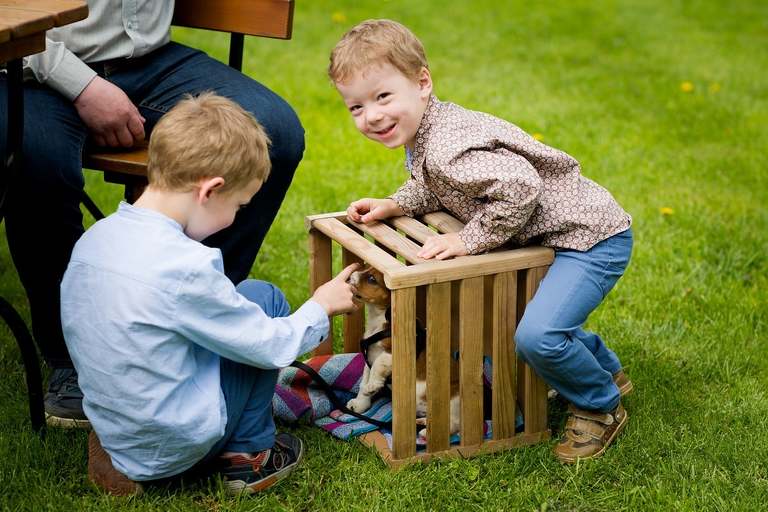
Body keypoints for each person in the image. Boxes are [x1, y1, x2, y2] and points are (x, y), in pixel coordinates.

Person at [329, 19, 635, 463]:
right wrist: (396, 203)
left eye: (382, 97)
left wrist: (469, 241)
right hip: (553, 234)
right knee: (518, 322)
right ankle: (605, 368)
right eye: (356, 107)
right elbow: (438, 185)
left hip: (589, 240)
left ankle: (599, 404)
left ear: (423, 83)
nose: (372, 115)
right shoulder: (426, 136)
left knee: (535, 336)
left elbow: (520, 188)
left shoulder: (448, 145)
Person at [0, 0, 304, 428]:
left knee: (275, 132)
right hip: (35, 66)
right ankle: (71, 355)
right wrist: (82, 85)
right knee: (37, 159)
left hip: (150, 61)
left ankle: (201, 324)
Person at [61, 93, 358, 494]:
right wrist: (321, 306)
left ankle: (131, 456)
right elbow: (269, 346)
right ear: (210, 191)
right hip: (171, 443)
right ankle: (247, 456)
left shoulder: (95, 240)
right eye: (239, 204)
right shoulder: (185, 267)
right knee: (263, 298)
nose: (235, 217)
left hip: (119, 429)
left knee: (240, 307)